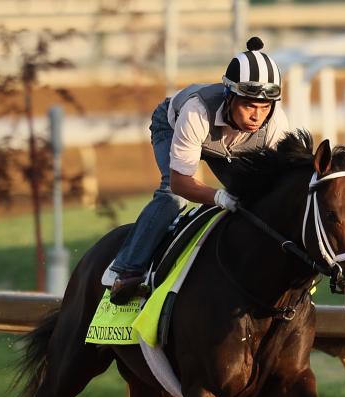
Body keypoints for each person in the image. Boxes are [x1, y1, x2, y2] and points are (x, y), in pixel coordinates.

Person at [108, 36, 290, 305]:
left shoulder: (275, 124)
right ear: (229, 97)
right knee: (173, 195)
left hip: (228, 146)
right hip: (172, 126)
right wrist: (218, 197)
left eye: (265, 107)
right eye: (249, 105)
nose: (257, 116)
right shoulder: (197, 111)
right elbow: (183, 183)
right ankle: (127, 270)